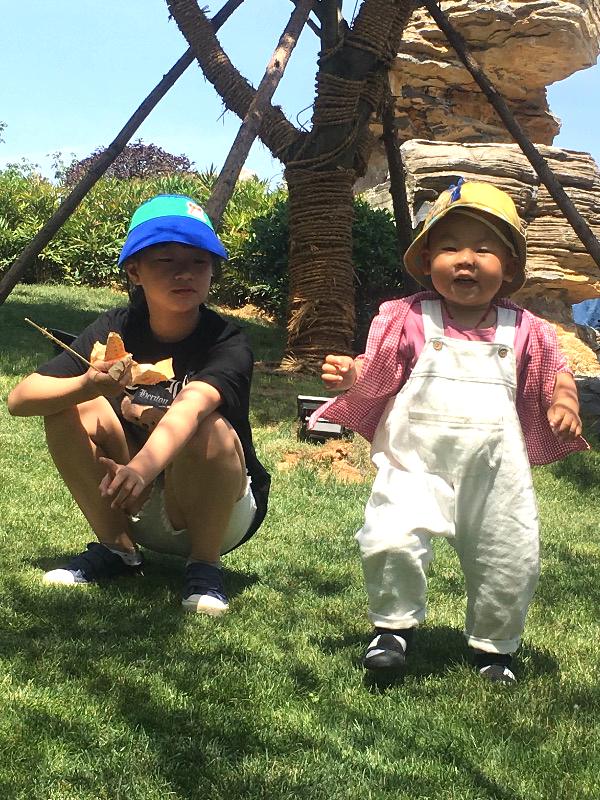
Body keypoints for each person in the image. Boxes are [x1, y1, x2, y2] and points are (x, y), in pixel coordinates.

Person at [310, 180, 588, 683]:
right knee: (389, 537)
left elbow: (557, 371)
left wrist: (564, 399)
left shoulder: (524, 328)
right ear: (427, 260)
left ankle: (494, 649)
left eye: (484, 249)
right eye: (450, 247)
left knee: (507, 555)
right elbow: (379, 368)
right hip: (413, 462)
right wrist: (351, 375)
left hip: (495, 470)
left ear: (509, 267)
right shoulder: (411, 318)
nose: (466, 260)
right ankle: (391, 630)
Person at [8, 193, 270, 616]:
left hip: (219, 511)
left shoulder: (227, 341)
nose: (185, 273)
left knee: (209, 426)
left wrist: (141, 469)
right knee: (69, 405)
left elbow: (190, 407)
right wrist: (87, 385)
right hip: (131, 499)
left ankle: (204, 567)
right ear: (135, 271)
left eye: (199, 261)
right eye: (166, 260)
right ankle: (118, 550)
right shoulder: (115, 328)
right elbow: (20, 400)